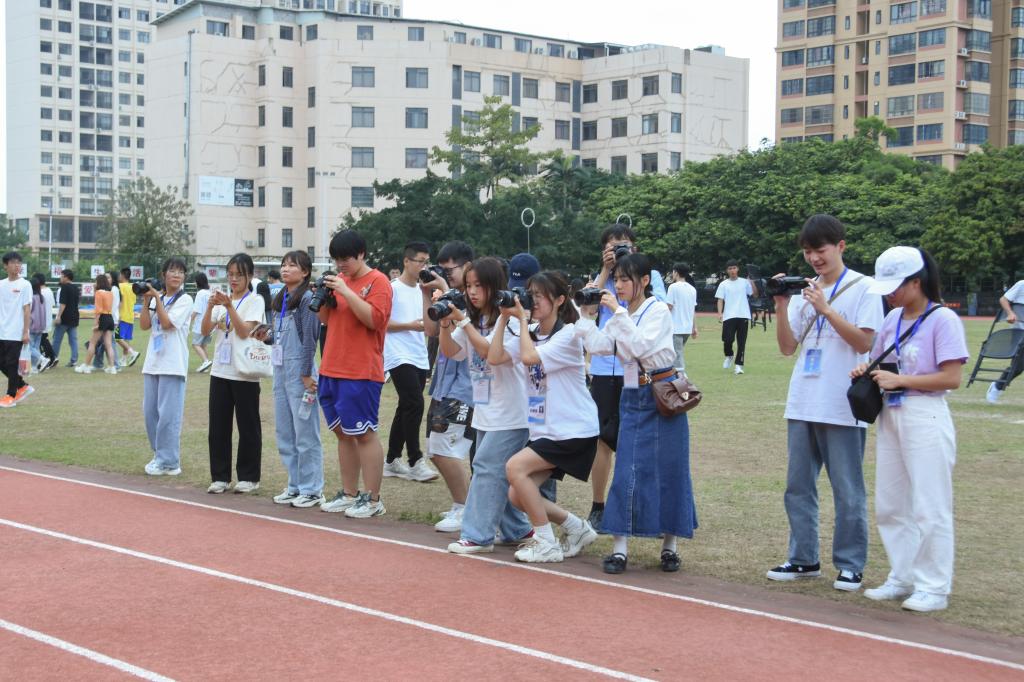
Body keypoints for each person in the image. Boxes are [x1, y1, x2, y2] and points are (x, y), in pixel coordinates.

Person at [766, 215, 883, 592]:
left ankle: (850, 565)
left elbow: (865, 343)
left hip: (842, 404)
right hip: (803, 401)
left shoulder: (864, 288)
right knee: (797, 486)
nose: (814, 258)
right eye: (808, 252)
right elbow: (787, 347)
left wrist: (827, 309)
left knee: (848, 489)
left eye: (821, 250)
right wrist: (783, 305)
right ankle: (803, 559)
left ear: (841, 246)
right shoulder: (806, 291)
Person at [851, 246, 968, 613]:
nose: (889, 294)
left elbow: (952, 378)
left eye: (895, 286)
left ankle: (934, 586)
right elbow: (880, 358)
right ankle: (902, 576)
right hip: (892, 414)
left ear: (916, 282)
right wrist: (866, 370)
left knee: (930, 505)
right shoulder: (893, 318)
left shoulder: (942, 320)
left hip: (925, 413)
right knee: (891, 502)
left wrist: (900, 379)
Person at [578, 254, 697, 573]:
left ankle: (670, 546)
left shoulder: (657, 309)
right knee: (627, 468)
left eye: (625, 280)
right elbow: (604, 346)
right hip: (632, 392)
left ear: (644, 281)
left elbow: (642, 346)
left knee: (671, 468)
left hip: (663, 392)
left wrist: (616, 311)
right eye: (616, 279)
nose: (618, 285)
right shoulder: (620, 312)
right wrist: (585, 315)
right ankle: (620, 548)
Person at [491, 271, 600, 563]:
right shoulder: (533, 334)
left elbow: (530, 358)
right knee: (517, 495)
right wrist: (504, 317)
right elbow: (495, 357)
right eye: (531, 293)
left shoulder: (569, 334)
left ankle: (546, 543)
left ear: (560, 299)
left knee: (514, 468)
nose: (533, 300)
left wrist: (523, 320)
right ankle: (576, 527)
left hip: (573, 428)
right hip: (548, 430)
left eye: (540, 295)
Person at [442, 257, 534, 552]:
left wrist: (464, 323)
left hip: (512, 412)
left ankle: (477, 535)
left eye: (478, 286)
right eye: (468, 286)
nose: (471, 292)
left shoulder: (511, 320)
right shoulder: (476, 320)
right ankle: (519, 530)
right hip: (487, 409)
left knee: (485, 468)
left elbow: (490, 353)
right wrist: (445, 324)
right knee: (498, 472)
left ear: (495, 287)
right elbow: (452, 351)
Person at [586, 223, 668, 533]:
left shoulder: (650, 276)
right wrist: (605, 273)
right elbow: (588, 308)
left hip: (636, 371)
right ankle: (598, 505)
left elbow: (660, 309)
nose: (619, 249)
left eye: (624, 244)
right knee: (600, 439)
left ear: (634, 246)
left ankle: (639, 505)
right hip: (604, 367)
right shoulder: (604, 278)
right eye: (612, 245)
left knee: (635, 440)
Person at [317, 230, 393, 518]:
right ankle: (349, 493)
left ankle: (373, 499)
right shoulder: (340, 281)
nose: (341, 265)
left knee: (364, 434)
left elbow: (375, 320)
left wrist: (347, 291)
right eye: (336, 259)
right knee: (342, 434)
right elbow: (325, 319)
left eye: (345, 259)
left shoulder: (378, 282)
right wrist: (323, 298)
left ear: (361, 253)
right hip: (331, 366)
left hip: (360, 370)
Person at [256, 251, 325, 508]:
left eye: (292, 265)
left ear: (305, 272)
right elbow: (281, 336)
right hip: (281, 370)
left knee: (306, 433)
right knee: (285, 431)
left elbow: (310, 340)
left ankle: (312, 489)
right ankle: (295, 484)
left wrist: (307, 374)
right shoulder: (281, 298)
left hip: (301, 373)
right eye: (283, 265)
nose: (285, 269)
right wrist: (267, 336)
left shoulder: (307, 299)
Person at [420, 241, 476, 531]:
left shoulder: (474, 296)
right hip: (444, 382)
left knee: (445, 448)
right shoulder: (446, 294)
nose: (445, 273)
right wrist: (427, 294)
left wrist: (453, 294)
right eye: (440, 268)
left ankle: (467, 507)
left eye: (449, 269)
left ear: (467, 265)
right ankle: (461, 504)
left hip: (465, 384)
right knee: (435, 447)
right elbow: (431, 330)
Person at [201, 253, 265, 494]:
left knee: (248, 425)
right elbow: (205, 330)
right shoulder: (223, 301)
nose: (234, 279)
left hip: (245, 372)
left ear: (250, 275)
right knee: (218, 425)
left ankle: (249, 476)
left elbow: (242, 332)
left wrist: (229, 307)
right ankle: (220, 476)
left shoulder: (255, 300)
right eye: (231, 274)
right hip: (220, 370)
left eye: (239, 274)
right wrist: (210, 308)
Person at [382, 241, 437, 482]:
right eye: (420, 261)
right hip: (397, 354)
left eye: (427, 261)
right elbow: (380, 322)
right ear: (406, 261)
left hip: (418, 354)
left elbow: (430, 325)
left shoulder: (424, 290)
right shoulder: (391, 289)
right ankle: (415, 460)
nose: (424, 266)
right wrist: (409, 326)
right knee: (414, 403)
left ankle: (392, 459)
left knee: (406, 405)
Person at [139, 258, 193, 476]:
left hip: (173, 363)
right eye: (172, 271)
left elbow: (168, 323)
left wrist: (157, 302)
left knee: (169, 415)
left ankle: (170, 461)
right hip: (153, 362)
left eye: (181, 272)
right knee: (150, 413)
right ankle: (159, 455)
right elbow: (144, 325)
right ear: (164, 275)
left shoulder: (186, 299)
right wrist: (146, 301)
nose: (177, 275)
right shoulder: (157, 298)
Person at [0, 252, 33, 408]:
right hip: (2, 331)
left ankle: (10, 395)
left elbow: (27, 309)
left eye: (19, 262)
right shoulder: (1, 284)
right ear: (5, 265)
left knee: (12, 363)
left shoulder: (25, 285)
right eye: (13, 262)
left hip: (16, 332)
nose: (17, 265)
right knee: (2, 362)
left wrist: (25, 332)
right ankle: (22, 385)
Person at [715, 260, 758, 375]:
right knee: (727, 339)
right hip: (729, 315)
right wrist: (720, 313)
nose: (732, 270)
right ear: (727, 271)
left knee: (741, 342)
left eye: (734, 268)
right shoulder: (723, 284)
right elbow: (720, 299)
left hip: (743, 315)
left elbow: (754, 294)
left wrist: (752, 282)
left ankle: (738, 365)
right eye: (730, 268)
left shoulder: (744, 282)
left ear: (737, 269)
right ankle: (729, 355)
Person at [986, 279, 1024, 403]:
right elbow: (1003, 299)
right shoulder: (1022, 284)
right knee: (1017, 367)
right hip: (1020, 332)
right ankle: (997, 386)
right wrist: (1010, 313)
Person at [75, 274, 117, 375]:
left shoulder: (98, 293)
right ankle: (112, 367)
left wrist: (96, 323)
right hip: (110, 318)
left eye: (96, 281)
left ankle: (86, 366)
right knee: (109, 344)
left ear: (99, 282)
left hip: (102, 318)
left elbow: (98, 310)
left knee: (92, 343)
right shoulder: (110, 293)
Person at [665, 262, 698, 372]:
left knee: (676, 355)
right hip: (687, 329)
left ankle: (682, 377)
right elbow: (693, 310)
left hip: (675, 327)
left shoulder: (673, 287)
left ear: (676, 272)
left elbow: (669, 306)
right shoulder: (692, 289)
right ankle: (675, 375)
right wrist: (694, 327)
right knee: (676, 353)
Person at [50, 269, 80, 367]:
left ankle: (53, 359)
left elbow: (63, 304)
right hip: (74, 317)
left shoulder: (64, 288)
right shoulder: (76, 288)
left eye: (61, 276)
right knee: (73, 340)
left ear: (66, 277)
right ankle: (74, 360)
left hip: (64, 318)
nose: (60, 278)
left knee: (57, 340)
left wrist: (58, 316)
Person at [32, 274, 57, 372]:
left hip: (35, 323)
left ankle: (48, 357)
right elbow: (52, 305)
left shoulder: (35, 295)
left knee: (32, 345)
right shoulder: (48, 291)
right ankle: (36, 365)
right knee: (39, 343)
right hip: (44, 321)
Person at [116, 268, 140, 367]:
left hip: (122, 316)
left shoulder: (119, 286)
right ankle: (124, 359)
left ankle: (133, 352)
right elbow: (134, 301)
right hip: (130, 316)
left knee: (117, 337)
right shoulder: (132, 287)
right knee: (125, 338)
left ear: (122, 275)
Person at [190, 272, 214, 373]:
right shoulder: (210, 293)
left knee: (195, 344)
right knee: (203, 345)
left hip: (200, 324)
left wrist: (188, 320)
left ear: (198, 282)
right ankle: (206, 364)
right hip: (209, 324)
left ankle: (205, 361)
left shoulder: (200, 294)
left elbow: (196, 310)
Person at [28, 277, 47, 373]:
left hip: (32, 325)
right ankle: (35, 367)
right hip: (41, 326)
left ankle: (42, 359)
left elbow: (29, 312)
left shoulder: (31, 298)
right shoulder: (41, 297)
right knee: (35, 347)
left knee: (29, 347)